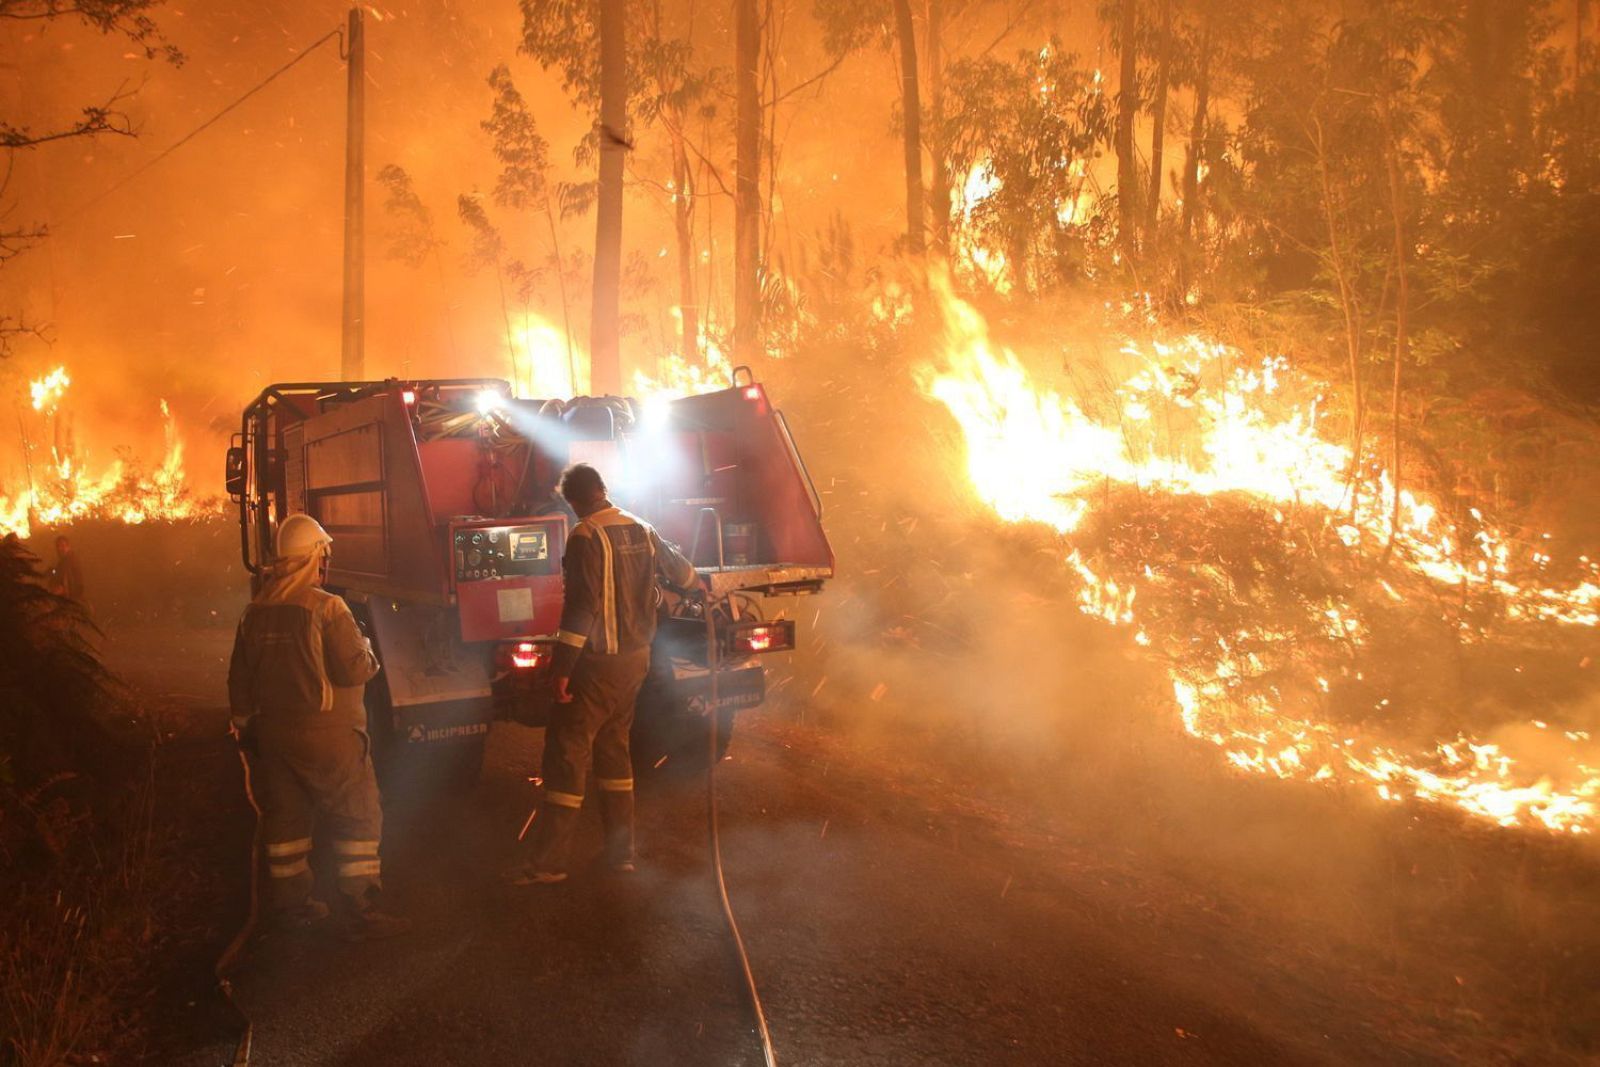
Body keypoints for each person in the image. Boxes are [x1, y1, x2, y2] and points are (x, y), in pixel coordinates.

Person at [511, 463, 696, 885]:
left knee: (567, 754)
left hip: (597, 666)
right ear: (603, 489)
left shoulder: (586, 535)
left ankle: (549, 864)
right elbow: (685, 575)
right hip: (637, 660)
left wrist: (562, 668)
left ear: (573, 501)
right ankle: (620, 854)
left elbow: (582, 608)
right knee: (614, 749)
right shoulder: (643, 527)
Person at [226, 513, 409, 940]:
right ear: (312, 558)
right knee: (358, 816)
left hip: (274, 738)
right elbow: (354, 670)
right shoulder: (328, 607)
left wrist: (245, 729)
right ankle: (361, 910)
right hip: (330, 738)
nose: (325, 563)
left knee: (286, 824)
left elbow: (239, 680)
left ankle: (292, 909)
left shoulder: (254, 613)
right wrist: (367, 647)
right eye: (322, 554)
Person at [47, 535, 85, 603]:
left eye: (62, 546)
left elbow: (77, 582)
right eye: (58, 546)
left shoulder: (71, 560)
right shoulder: (60, 562)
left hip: (70, 598)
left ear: (68, 547)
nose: (60, 549)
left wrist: (64, 590)